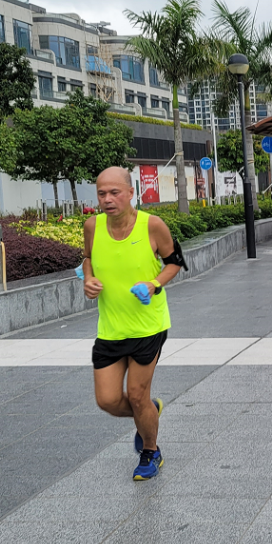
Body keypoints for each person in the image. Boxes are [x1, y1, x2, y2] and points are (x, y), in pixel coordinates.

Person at [82, 167, 185, 480]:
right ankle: (149, 412)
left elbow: (176, 262)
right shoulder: (92, 226)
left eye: (115, 193)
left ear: (130, 193)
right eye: (102, 193)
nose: (108, 199)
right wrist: (88, 279)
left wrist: (154, 284)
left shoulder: (152, 225)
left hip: (147, 327)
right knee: (109, 401)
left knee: (136, 394)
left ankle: (151, 451)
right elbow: (87, 258)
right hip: (110, 329)